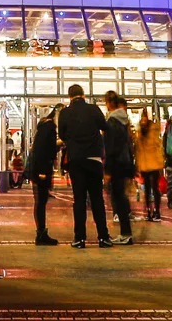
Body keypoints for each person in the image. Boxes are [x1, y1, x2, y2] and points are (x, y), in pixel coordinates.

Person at [58, 84, 111, 249]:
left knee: (79, 199)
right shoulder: (94, 109)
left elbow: (62, 134)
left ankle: (79, 238)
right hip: (94, 158)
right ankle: (103, 237)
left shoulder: (65, 113)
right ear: (83, 95)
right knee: (97, 199)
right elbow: (105, 127)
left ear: (70, 97)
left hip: (76, 160)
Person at [101, 91, 137, 243]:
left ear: (109, 103)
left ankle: (125, 233)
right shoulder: (124, 121)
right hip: (125, 162)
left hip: (116, 164)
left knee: (118, 198)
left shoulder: (112, 122)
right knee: (121, 197)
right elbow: (128, 145)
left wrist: (107, 170)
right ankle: (125, 232)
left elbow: (111, 147)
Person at [28, 106, 61, 246]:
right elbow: (44, 149)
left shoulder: (44, 126)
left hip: (38, 169)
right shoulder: (50, 127)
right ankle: (41, 234)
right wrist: (42, 172)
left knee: (40, 201)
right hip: (41, 169)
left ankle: (41, 232)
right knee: (41, 201)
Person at [136, 109, 166, 220]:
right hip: (145, 164)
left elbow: (157, 146)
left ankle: (157, 212)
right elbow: (138, 149)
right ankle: (149, 211)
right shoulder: (140, 133)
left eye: (144, 119)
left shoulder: (152, 130)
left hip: (153, 164)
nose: (143, 122)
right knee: (147, 189)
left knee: (154, 188)